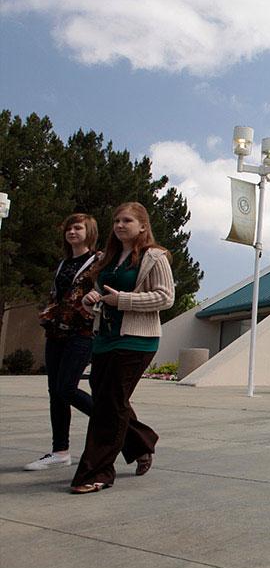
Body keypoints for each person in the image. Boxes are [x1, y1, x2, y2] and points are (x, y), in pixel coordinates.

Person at [72, 202, 174, 493]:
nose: (119, 225)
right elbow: (103, 293)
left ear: (143, 226)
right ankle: (141, 441)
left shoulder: (155, 257)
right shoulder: (109, 258)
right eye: (116, 220)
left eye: (127, 220)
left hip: (136, 340)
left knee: (109, 405)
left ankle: (97, 472)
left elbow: (165, 298)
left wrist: (124, 300)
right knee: (107, 399)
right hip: (105, 337)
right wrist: (91, 299)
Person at [26, 213, 101, 472]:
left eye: (78, 228)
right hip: (56, 332)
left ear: (89, 231)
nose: (72, 232)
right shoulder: (63, 263)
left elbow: (107, 288)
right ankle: (60, 451)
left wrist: (97, 294)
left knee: (67, 388)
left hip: (82, 333)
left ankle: (115, 423)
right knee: (55, 393)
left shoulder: (99, 261)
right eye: (69, 228)